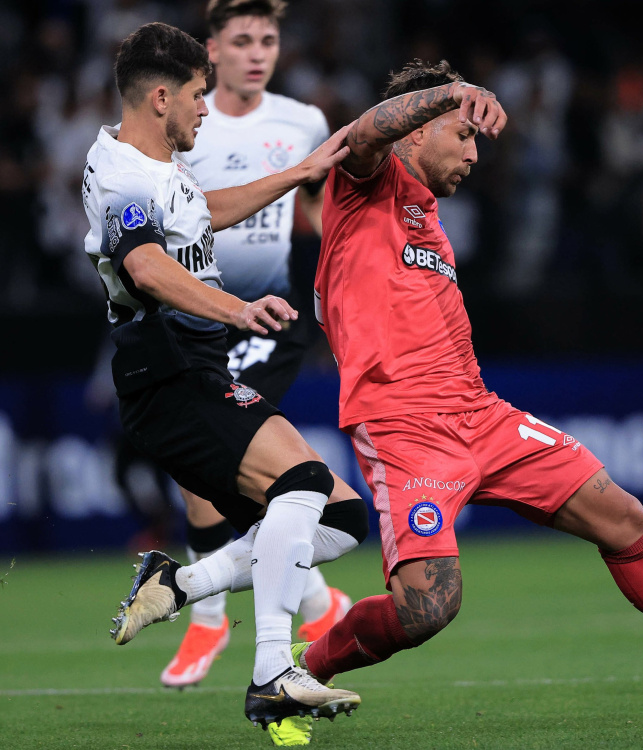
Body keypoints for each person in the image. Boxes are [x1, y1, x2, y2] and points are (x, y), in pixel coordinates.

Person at [300, 59, 643, 715]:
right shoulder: (363, 185)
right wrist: (456, 93)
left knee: (623, 517)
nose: (473, 154)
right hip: (406, 430)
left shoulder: (428, 217)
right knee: (429, 606)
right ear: (416, 131)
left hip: (481, 418)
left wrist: (456, 106)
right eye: (461, 135)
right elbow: (366, 131)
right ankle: (305, 667)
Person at [83, 21, 367, 735]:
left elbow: (203, 216)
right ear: (159, 97)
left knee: (337, 519)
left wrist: (293, 177)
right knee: (302, 487)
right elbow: (146, 266)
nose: (206, 110)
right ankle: (273, 673)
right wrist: (239, 308)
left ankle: (178, 583)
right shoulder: (121, 176)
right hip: (170, 374)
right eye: (197, 96)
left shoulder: (155, 167)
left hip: (191, 372)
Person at [157, 0, 356, 702]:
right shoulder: (186, 121)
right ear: (211, 50)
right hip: (192, 313)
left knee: (220, 458)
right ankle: (316, 600)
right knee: (216, 474)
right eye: (241, 40)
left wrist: (339, 303)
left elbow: (319, 217)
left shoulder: (301, 121)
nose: (256, 52)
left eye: (267, 39)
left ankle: (208, 612)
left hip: (266, 318)